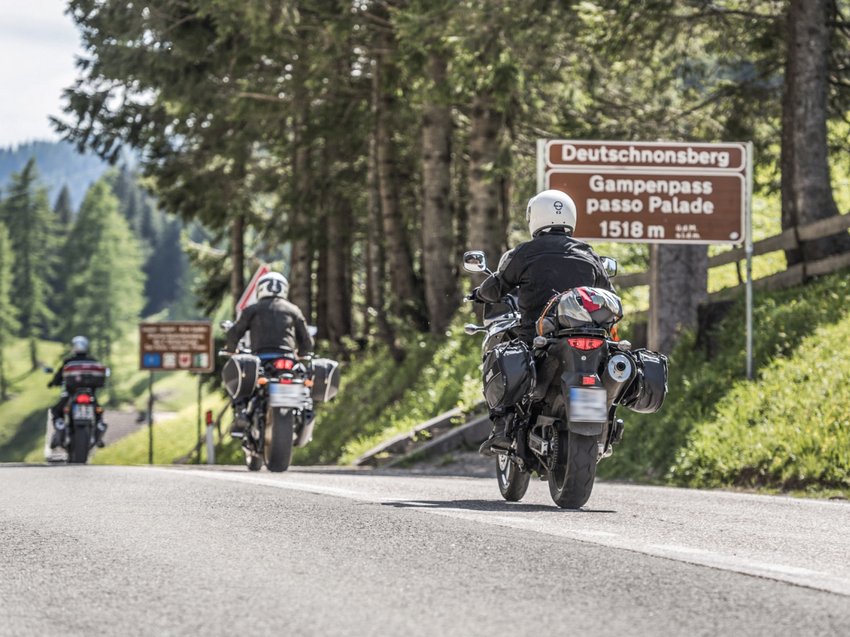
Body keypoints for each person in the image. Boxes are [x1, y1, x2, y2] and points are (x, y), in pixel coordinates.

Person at [470, 189, 614, 455]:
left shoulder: (524, 253)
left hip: (536, 336)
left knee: (500, 351)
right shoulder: (588, 253)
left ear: (534, 218)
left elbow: (497, 288)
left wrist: (478, 293)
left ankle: (502, 425)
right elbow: (609, 294)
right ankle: (608, 427)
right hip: (588, 337)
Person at [225, 271, 314, 435]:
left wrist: (231, 349)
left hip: (261, 359)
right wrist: (302, 353)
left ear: (260, 289)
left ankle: (241, 412)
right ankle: (304, 412)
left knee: (242, 380)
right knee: (302, 379)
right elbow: (306, 340)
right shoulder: (293, 309)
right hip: (287, 360)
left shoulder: (252, 309)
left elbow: (234, 332)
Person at [47, 336, 106, 449]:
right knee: (99, 412)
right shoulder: (93, 361)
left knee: (56, 410)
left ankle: (59, 430)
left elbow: (59, 376)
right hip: (90, 396)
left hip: (71, 395)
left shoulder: (69, 362)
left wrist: (53, 382)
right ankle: (99, 434)